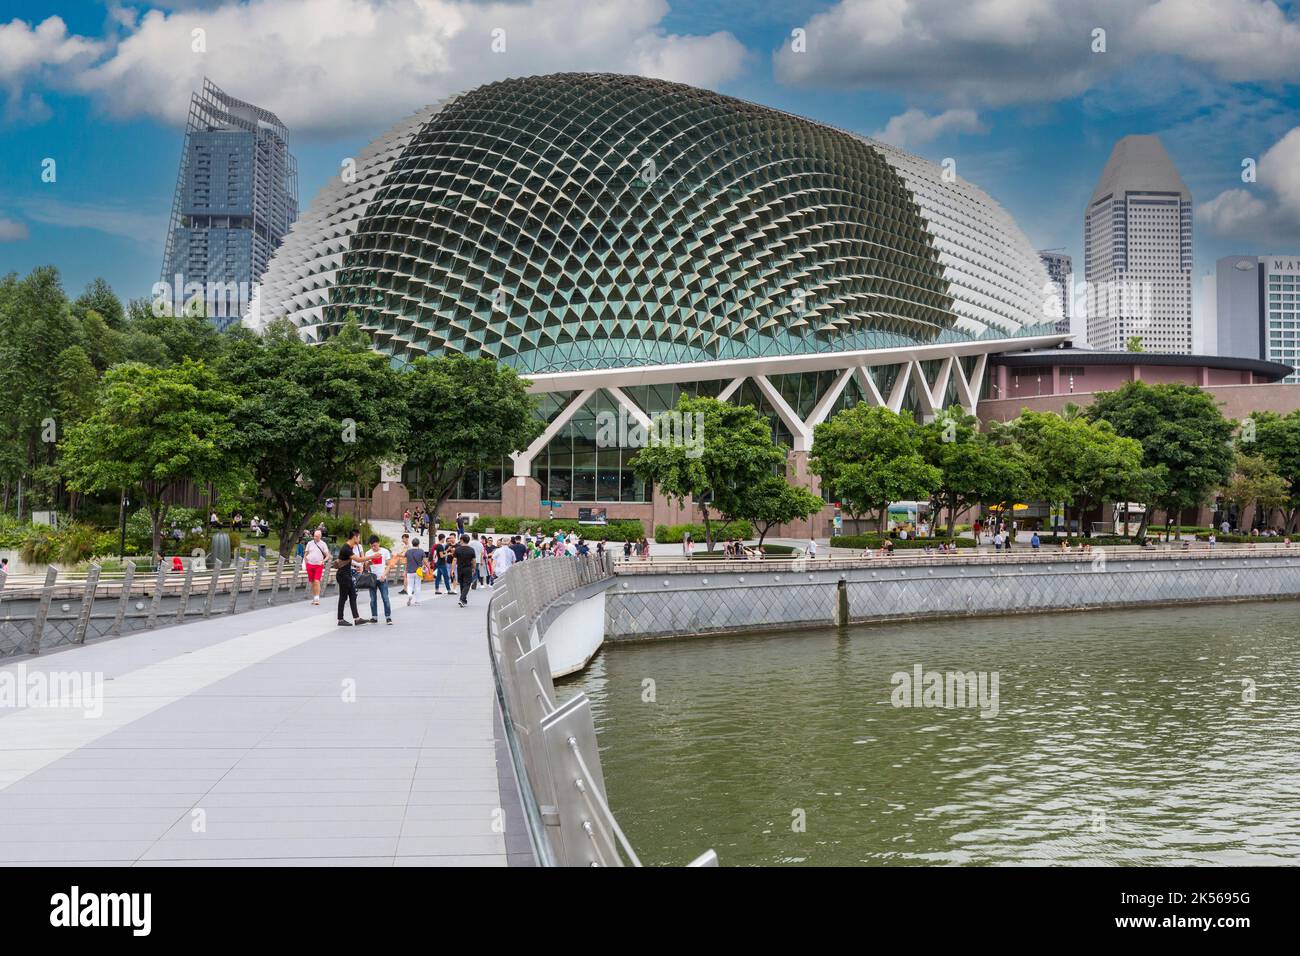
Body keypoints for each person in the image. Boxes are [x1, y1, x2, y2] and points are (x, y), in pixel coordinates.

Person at [335, 529, 366, 627]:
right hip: (343, 576)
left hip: (347, 575)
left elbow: (348, 560)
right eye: (359, 537)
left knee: (353, 596)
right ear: (354, 537)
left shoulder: (350, 547)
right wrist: (373, 557)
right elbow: (359, 559)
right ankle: (340, 619)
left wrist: (356, 566)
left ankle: (357, 619)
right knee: (343, 597)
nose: (359, 539)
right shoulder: (346, 548)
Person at [364, 535, 393, 625]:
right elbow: (366, 567)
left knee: (385, 598)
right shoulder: (368, 553)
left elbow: (389, 565)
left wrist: (384, 575)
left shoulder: (385, 551)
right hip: (372, 579)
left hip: (382, 578)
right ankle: (374, 617)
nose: (374, 548)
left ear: (379, 543)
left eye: (375, 546)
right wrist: (369, 561)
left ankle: (388, 617)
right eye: (372, 546)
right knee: (373, 599)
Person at [303, 529, 331, 606]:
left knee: (317, 580)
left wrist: (323, 561)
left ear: (320, 536)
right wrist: (305, 561)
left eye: (317, 536)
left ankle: (317, 598)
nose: (315, 537)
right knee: (312, 581)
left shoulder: (323, 544)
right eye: (314, 536)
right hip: (310, 564)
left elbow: (328, 555)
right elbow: (306, 553)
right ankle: (314, 597)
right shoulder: (309, 543)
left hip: (318, 565)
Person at [454, 533, 477, 607]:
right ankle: (462, 599)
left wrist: (452, 569)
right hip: (468, 568)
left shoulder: (457, 549)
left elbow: (454, 560)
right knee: (467, 584)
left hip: (459, 568)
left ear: (462, 540)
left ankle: (463, 600)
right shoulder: (471, 550)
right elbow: (473, 560)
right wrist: (474, 568)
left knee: (462, 584)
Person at [404, 537, 426, 605]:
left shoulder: (408, 551)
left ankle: (410, 594)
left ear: (412, 543)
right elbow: (425, 561)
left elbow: (406, 562)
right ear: (418, 544)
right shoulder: (421, 551)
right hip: (418, 571)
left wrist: (405, 571)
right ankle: (417, 601)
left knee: (410, 585)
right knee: (418, 586)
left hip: (409, 571)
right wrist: (427, 567)